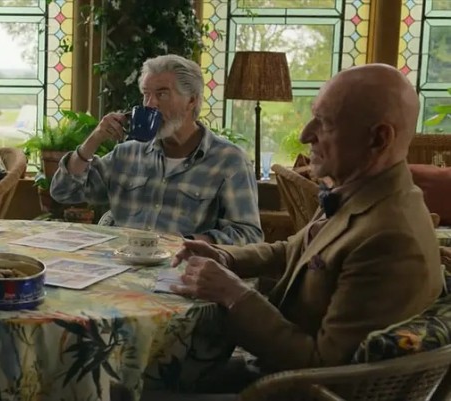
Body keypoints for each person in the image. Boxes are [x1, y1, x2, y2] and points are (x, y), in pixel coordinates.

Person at [169, 63, 444, 391]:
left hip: (289, 390)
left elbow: (322, 367)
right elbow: (293, 250)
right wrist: (226, 257)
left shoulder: (390, 239)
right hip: (275, 374)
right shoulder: (360, 193)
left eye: (324, 123)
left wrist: (233, 294)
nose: (304, 134)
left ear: (379, 138)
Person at [50, 54, 261, 245]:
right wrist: (94, 139)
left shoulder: (229, 160)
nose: (150, 104)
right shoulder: (127, 154)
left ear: (191, 100)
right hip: (121, 264)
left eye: (162, 94)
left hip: (182, 268)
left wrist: (187, 244)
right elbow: (64, 191)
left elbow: (249, 236)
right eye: (146, 94)